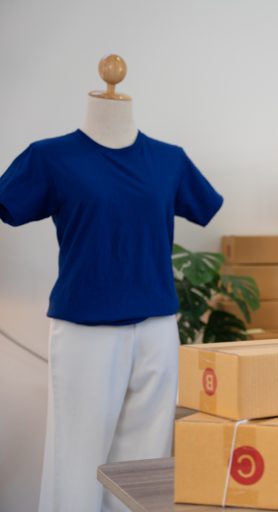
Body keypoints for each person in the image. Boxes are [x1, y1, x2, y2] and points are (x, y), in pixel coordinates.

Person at [0, 88, 222, 511]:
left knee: (146, 460)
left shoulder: (169, 160)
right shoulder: (50, 158)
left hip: (158, 329)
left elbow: (205, 203)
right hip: (85, 330)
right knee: (76, 457)